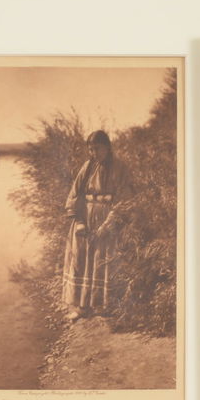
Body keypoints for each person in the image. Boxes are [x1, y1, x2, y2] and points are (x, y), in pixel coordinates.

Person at [60, 130, 134, 321]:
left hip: (108, 218)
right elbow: (75, 194)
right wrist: (79, 222)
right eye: (91, 149)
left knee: (103, 259)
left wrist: (107, 225)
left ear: (107, 147)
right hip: (85, 217)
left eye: (98, 148)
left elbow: (124, 200)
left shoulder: (120, 168)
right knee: (81, 260)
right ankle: (82, 307)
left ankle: (103, 306)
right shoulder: (87, 167)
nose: (94, 153)